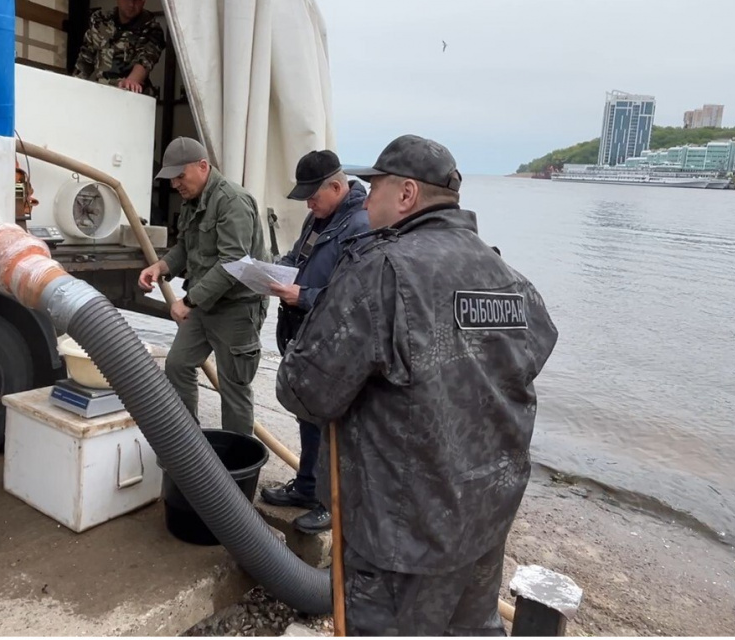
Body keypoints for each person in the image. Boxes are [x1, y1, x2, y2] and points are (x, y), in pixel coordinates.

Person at [275, 135, 559, 636]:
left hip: (400, 535)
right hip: (486, 515)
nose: (369, 196)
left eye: (376, 185)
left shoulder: (382, 271)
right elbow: (537, 345)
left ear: (406, 194)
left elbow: (304, 391)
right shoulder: (505, 274)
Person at [258, 149, 370, 535]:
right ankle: (306, 487)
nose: (308, 203)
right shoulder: (318, 217)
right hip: (305, 334)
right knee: (306, 415)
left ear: (337, 186)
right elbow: (299, 257)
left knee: (330, 424)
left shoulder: (361, 223)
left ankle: (329, 503)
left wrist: (302, 296)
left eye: (313, 195)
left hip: (334, 341)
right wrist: (272, 270)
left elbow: (356, 297)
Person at [138, 137, 268, 436]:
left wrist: (189, 301)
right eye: (172, 179)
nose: (176, 185)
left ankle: (235, 468)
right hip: (204, 304)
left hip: (237, 308)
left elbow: (235, 263)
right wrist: (160, 266)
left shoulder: (232, 201)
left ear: (203, 166)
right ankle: (189, 445)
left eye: (180, 176)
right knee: (178, 365)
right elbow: (185, 247)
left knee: (234, 390)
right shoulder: (192, 202)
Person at [72, 0, 165, 95]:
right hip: (100, 93)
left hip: (130, 95)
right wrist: (73, 88)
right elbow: (85, 59)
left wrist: (132, 81)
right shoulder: (100, 21)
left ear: (144, 0)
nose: (131, 4)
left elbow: (146, 60)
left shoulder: (151, 28)